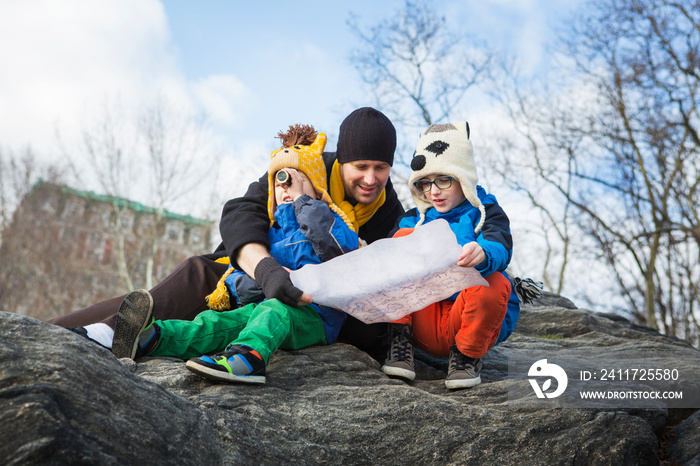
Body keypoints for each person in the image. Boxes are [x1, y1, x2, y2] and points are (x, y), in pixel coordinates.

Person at [50, 107, 404, 359]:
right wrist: (266, 270)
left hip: (317, 308)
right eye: (361, 167)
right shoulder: (303, 168)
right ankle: (90, 332)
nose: (371, 179)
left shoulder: (391, 213)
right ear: (341, 160)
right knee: (197, 273)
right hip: (253, 275)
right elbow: (242, 211)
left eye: (381, 168)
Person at [110, 125, 359, 384]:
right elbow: (243, 283)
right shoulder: (272, 233)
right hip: (265, 310)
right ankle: (153, 339)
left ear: (318, 189)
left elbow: (337, 248)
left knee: (275, 312)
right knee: (219, 322)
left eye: (297, 180)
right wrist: (254, 282)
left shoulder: (331, 220)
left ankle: (248, 359)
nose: (286, 188)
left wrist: (304, 202)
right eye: (280, 183)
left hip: (317, 317)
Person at [380, 121, 520, 390]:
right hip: (423, 316)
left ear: (463, 176)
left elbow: (500, 245)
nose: (433, 191)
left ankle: (466, 358)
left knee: (497, 281)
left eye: (443, 180)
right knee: (398, 241)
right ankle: (400, 343)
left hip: (467, 318)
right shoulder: (413, 219)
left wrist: (483, 252)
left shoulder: (486, 211)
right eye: (424, 183)